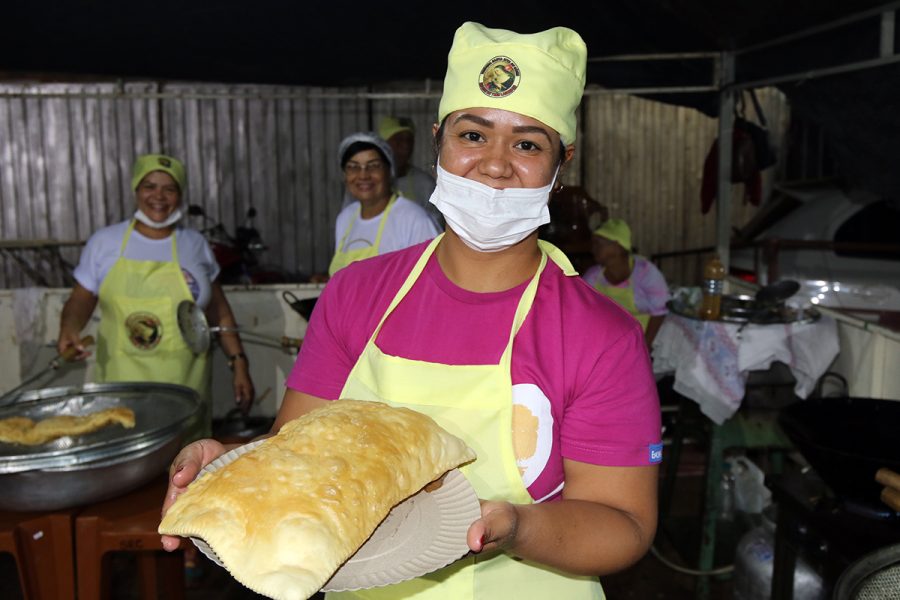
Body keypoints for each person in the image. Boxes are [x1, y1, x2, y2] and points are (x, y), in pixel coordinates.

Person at [162, 22, 661, 598]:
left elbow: (623, 524)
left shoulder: (599, 334)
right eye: (473, 135)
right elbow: (297, 455)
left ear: (561, 163)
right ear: (438, 141)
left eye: (527, 144)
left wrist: (521, 527)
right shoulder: (356, 294)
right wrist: (226, 470)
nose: (495, 165)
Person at [57, 153, 255, 441]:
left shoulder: (194, 245)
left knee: (185, 472)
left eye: (169, 188)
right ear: (136, 189)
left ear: (180, 195)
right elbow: (81, 299)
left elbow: (219, 311)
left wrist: (239, 363)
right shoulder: (105, 242)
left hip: (186, 389)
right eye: (149, 186)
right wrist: (70, 327)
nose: (158, 196)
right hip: (123, 393)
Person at [329, 131, 439, 276]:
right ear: (345, 175)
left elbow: (433, 277)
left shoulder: (414, 219)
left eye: (373, 166)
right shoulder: (345, 218)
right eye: (353, 167)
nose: (363, 175)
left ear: (389, 171)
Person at [582, 218, 669, 348]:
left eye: (598, 244)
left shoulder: (645, 272)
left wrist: (644, 347)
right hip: (608, 342)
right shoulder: (593, 276)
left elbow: (659, 312)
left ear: (618, 246)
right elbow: (584, 312)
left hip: (642, 339)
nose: (593, 249)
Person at [378, 115, 443, 227]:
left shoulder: (425, 184)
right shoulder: (368, 183)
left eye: (408, 140)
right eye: (398, 140)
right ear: (383, 145)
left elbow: (435, 227)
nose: (405, 146)